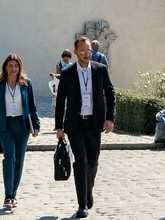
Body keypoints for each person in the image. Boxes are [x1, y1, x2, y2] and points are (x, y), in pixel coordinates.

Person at [55, 36, 116, 219]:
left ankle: (88, 191)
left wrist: (110, 118)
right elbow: (60, 101)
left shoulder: (100, 70)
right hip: (75, 125)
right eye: (82, 51)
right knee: (80, 162)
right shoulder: (68, 73)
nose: (86, 54)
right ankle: (82, 204)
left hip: (94, 123)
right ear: (75, 52)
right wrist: (59, 127)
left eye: (89, 51)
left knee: (93, 162)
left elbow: (110, 93)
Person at [0, 53, 40, 211]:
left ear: (19, 67)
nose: (13, 69)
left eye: (16, 66)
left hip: (22, 125)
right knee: (9, 156)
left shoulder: (26, 83)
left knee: (19, 159)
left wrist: (36, 125)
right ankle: (8, 194)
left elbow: (32, 105)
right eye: (10, 66)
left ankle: (14, 194)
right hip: (5, 125)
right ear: (5, 67)